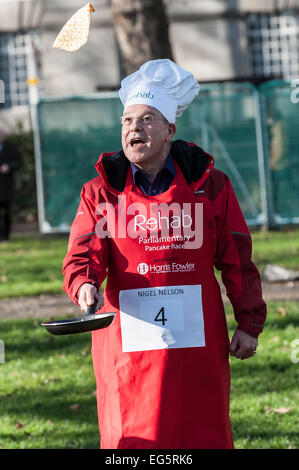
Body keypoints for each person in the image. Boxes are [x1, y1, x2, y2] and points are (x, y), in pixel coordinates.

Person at [62, 59, 267, 449]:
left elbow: (237, 258)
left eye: (147, 119)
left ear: (171, 129)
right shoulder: (100, 192)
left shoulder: (212, 186)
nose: (133, 128)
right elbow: (84, 253)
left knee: (199, 430)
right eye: (126, 121)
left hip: (197, 343)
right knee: (132, 437)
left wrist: (248, 320)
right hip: (126, 343)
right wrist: (85, 283)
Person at [0, 129, 22, 241]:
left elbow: (19, 162)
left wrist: (9, 166)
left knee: (6, 212)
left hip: (6, 186)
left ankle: (5, 236)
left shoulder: (11, 147)